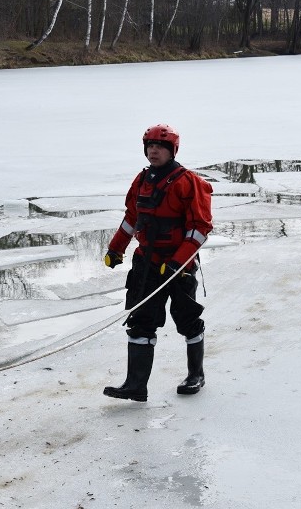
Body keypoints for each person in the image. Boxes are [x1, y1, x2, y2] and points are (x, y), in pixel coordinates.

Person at [102, 123, 213, 402]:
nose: (153, 150)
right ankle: (136, 385)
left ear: (171, 150)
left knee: (187, 320)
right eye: (149, 146)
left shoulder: (188, 183)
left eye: (159, 146)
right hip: (146, 263)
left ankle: (195, 375)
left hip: (179, 266)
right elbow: (132, 218)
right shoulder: (141, 181)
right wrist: (116, 249)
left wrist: (178, 262)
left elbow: (200, 228)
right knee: (140, 321)